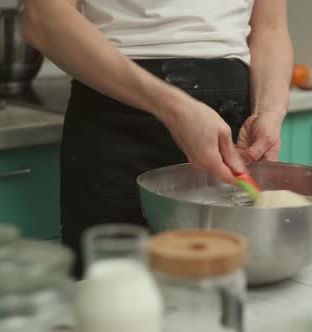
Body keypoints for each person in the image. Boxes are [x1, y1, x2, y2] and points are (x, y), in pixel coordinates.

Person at [23, 0, 293, 277]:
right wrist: (174, 108)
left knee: (223, 295)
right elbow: (43, 17)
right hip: (118, 121)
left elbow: (269, 28)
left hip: (229, 123)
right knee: (116, 295)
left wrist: (269, 110)